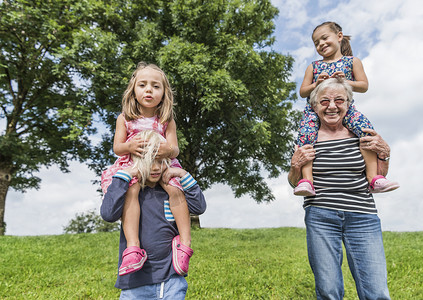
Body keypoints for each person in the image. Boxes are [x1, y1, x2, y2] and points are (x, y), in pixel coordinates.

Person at [288, 78, 391, 300]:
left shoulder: (361, 134)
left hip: (363, 216)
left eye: (339, 100)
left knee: (376, 291)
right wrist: (295, 165)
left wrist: (384, 153)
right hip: (321, 216)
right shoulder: (308, 138)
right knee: (328, 290)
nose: (332, 106)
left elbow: (379, 177)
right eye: (324, 101)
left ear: (348, 104)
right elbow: (295, 182)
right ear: (314, 106)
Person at [101, 62, 192, 276]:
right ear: (133, 90)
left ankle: (185, 244)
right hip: (134, 164)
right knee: (131, 190)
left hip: (162, 165)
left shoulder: (166, 120)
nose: (149, 89)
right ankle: (133, 247)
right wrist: (130, 146)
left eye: (155, 86)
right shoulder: (124, 119)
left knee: (174, 189)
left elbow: (175, 148)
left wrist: (166, 151)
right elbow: (117, 147)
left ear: (164, 93)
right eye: (142, 85)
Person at [294, 21, 399, 196]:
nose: (321, 44)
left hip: (345, 108)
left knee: (366, 131)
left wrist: (345, 82)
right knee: (305, 136)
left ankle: (374, 178)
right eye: (316, 43)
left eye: (324, 38)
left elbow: (363, 85)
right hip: (315, 111)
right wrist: (316, 84)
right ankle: (307, 182)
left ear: (339, 36)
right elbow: (302, 91)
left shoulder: (352, 62)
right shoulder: (313, 66)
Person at [100, 129, 206, 299]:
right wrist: (125, 175)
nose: (156, 167)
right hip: (135, 285)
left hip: (172, 281)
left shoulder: (172, 191)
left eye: (161, 161)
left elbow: (199, 207)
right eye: (149, 161)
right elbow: (108, 214)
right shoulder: (130, 194)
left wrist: (183, 174)